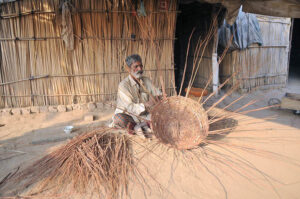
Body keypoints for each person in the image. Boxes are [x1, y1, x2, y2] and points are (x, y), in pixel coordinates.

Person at [111, 54, 161, 137]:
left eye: (141, 66)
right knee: (118, 118)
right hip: (130, 116)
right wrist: (147, 104)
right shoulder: (123, 85)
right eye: (136, 66)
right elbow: (130, 108)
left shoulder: (146, 80)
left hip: (146, 115)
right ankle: (138, 126)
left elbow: (158, 94)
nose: (140, 69)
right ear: (128, 69)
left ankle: (141, 126)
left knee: (161, 114)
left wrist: (158, 97)